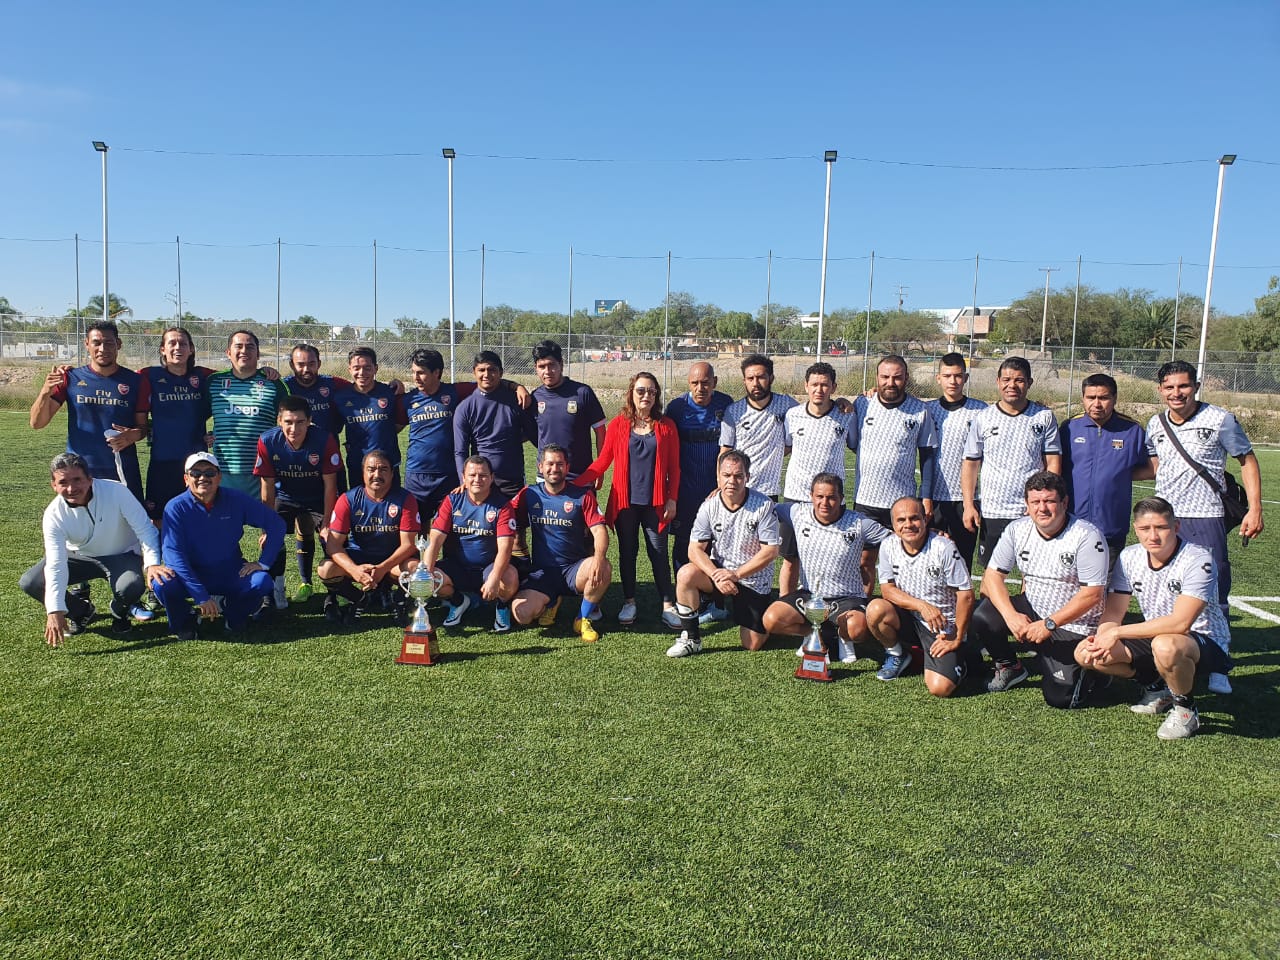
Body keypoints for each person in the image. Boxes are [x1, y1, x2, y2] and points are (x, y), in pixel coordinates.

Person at [1145, 360, 1263, 695]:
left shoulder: (1220, 419)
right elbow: (1157, 466)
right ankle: (1170, 659)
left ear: (1196, 387)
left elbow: (1247, 461)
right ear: (1160, 390)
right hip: (1165, 520)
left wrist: (1255, 509)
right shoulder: (1155, 424)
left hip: (1206, 516)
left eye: (1183, 386)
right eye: (1169, 387)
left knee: (1214, 592)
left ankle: (1219, 665)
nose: (1176, 393)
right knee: (1165, 591)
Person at [1075, 497, 1233, 740]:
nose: (1153, 536)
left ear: (1176, 526)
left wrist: (1116, 633)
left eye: (1161, 527)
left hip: (1204, 640)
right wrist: (1103, 637)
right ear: (1136, 529)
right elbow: (1114, 611)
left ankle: (1185, 709)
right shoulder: (1129, 557)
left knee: (1166, 645)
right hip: (1156, 636)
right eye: (1145, 528)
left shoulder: (1198, 559)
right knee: (1085, 653)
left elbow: (1181, 623)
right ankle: (1157, 687)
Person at [970, 471, 1108, 707]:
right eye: (1035, 502)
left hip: (1073, 624)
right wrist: (1011, 616)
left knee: (1061, 698)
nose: (1042, 508)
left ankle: (1097, 673)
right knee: (983, 615)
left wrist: (1049, 624)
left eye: (1049, 501)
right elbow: (992, 577)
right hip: (1034, 608)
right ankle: (1010, 666)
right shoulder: (1017, 529)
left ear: (1064, 502)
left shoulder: (1086, 535)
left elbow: (1092, 595)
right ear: (1027, 504)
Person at [20, 453, 172, 644]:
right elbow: (56, 563)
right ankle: (81, 612)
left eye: (77, 479)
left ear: (90, 479)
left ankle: (119, 611)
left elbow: (145, 530)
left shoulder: (116, 491)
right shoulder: (53, 514)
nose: (71, 488)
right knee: (31, 581)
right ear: (54, 486)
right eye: (63, 482)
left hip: (122, 554)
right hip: (80, 557)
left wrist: (152, 564)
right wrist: (55, 609)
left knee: (131, 586)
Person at [575, 372, 679, 626]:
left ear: (657, 396)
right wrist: (574, 485)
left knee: (658, 554)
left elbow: (675, 468)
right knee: (628, 553)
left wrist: (672, 499)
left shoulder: (667, 426)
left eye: (652, 391)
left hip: (656, 504)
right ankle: (629, 602)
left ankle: (668, 604)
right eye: (641, 391)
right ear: (631, 393)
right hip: (625, 504)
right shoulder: (619, 425)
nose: (646, 396)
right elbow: (602, 461)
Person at [154, 452, 286, 640]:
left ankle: (232, 614)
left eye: (209, 473)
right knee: (162, 583)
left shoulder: (236, 499)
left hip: (229, 570)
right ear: (186, 479)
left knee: (261, 581)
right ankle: (185, 619)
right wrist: (201, 596)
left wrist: (263, 563)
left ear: (219, 477)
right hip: (192, 572)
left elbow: (276, 524)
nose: (203, 478)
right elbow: (174, 556)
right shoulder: (175, 507)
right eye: (195, 473)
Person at [761, 473, 890, 664]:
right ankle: (814, 633)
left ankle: (844, 638)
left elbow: (893, 539)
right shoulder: (797, 513)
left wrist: (928, 536)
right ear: (811, 496)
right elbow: (763, 506)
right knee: (772, 620)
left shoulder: (859, 523)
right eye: (819, 497)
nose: (825, 503)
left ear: (841, 498)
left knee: (858, 630)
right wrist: (722, 493)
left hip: (847, 597)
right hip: (809, 596)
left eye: (831, 497)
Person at [664, 450, 780, 657]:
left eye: (738, 476)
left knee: (752, 643)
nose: (731, 481)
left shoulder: (763, 505)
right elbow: (694, 549)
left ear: (747, 477)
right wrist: (717, 575)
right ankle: (691, 639)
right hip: (720, 572)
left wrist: (736, 575)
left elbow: (770, 551)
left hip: (752, 578)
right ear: (718, 477)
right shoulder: (709, 506)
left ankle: (766, 615)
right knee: (686, 574)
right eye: (726, 475)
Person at [403, 348, 532, 517]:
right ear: (474, 372)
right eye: (413, 372)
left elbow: (490, 382)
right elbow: (394, 425)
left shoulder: (456, 392)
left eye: (421, 372)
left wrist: (517, 386)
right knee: (419, 525)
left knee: (456, 523)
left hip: (453, 476)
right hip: (420, 473)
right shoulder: (408, 399)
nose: (415, 377)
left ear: (436, 372)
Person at [866, 496, 974, 695]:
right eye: (901, 520)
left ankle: (965, 658)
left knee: (940, 688)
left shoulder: (943, 547)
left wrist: (956, 636)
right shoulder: (888, 545)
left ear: (925, 519)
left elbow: (966, 595)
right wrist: (921, 606)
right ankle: (897, 654)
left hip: (943, 626)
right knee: (875, 609)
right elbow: (887, 590)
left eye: (914, 518)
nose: (908, 524)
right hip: (912, 618)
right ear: (893, 524)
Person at [961, 356, 1061, 567]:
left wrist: (1042, 501)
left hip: (1031, 509)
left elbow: (1053, 462)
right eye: (1006, 380)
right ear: (998, 382)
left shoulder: (1044, 417)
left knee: (1032, 570)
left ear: (1029, 383)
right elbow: (970, 464)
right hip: (993, 509)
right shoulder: (984, 418)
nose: (1012, 385)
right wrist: (969, 505)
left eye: (1019, 380)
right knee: (991, 570)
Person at [30, 321, 144, 503]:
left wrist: (133, 435)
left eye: (109, 343)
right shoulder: (70, 378)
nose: (102, 349)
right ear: (86, 344)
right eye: (96, 343)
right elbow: (37, 423)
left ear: (118, 344)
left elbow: (143, 427)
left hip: (122, 468)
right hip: (80, 471)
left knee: (128, 520)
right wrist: (45, 392)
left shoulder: (136, 381)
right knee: (82, 520)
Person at [851, 355, 937, 593]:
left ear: (906, 378)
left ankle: (902, 610)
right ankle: (863, 606)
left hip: (902, 504)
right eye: (885, 377)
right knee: (864, 561)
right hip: (866, 500)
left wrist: (926, 497)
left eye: (897, 377)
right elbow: (852, 443)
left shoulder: (920, 410)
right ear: (877, 378)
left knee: (904, 562)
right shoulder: (862, 404)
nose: (891, 382)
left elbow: (927, 456)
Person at [508, 444, 612, 642]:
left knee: (604, 567)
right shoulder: (529, 494)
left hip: (574, 569)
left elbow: (599, 531)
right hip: (542, 573)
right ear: (540, 467)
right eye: (549, 464)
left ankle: (582, 618)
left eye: (559, 464)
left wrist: (598, 559)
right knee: (522, 614)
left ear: (567, 467)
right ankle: (551, 601)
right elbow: (505, 514)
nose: (554, 469)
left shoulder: (582, 495)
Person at [779, 362, 860, 597]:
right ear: (806, 386)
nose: (819, 389)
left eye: (825, 385)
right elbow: (786, 447)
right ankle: (785, 604)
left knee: (831, 555)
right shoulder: (793, 415)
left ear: (833, 387)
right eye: (814, 384)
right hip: (797, 496)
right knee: (791, 558)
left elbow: (855, 445)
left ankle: (831, 603)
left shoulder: (845, 416)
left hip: (830, 500)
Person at [253, 395, 342, 607]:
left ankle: (335, 594)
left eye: (300, 422)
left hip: (317, 497)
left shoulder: (324, 440)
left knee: (332, 539)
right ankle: (274, 592)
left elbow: (330, 486)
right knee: (271, 538)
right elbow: (267, 487)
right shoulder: (267, 441)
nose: (294, 429)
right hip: (286, 497)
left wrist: (327, 523)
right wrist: (267, 527)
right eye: (288, 422)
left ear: (309, 421)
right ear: (279, 421)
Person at [318, 450, 421, 624]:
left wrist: (382, 568)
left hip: (392, 562)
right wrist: (354, 570)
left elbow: (408, 545)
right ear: (363, 472)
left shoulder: (405, 499)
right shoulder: (348, 499)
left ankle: (397, 600)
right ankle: (359, 598)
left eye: (383, 469)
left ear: (392, 473)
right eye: (371, 469)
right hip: (360, 559)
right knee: (326, 569)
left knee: (415, 569)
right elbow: (333, 545)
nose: (377, 475)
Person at [1059, 373, 1153, 562]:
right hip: (1070, 526)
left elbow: (1151, 468)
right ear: (1083, 398)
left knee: (1107, 579)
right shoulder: (1069, 428)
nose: (1097, 404)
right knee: (1066, 578)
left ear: (1114, 398)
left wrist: (1120, 475)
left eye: (1103, 398)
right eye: (1091, 397)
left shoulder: (1132, 431)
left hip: (1111, 528)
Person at [422, 455, 519, 632]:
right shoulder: (452, 500)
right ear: (464, 477)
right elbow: (435, 540)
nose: (477, 480)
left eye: (483, 475)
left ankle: (502, 606)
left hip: (488, 567)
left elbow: (505, 548)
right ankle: (458, 601)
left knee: (510, 577)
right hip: (457, 567)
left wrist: (495, 577)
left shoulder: (503, 505)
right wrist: (426, 572)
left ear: (491, 478)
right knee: (428, 576)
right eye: (472, 475)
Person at [134, 326, 215, 519]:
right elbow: (118, 378)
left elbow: (237, 378)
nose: (178, 347)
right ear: (163, 349)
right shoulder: (148, 375)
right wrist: (68, 371)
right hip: (162, 460)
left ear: (191, 349)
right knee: (159, 517)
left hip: (197, 461)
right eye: (172, 343)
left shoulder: (205, 376)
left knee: (198, 517)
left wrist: (264, 372)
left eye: (183, 343)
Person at [206, 330, 290, 496]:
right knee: (226, 513)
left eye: (250, 347)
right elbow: (196, 415)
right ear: (228, 352)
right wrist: (202, 436)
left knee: (265, 513)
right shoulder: (214, 382)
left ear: (258, 354)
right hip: (224, 471)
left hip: (262, 472)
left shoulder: (273, 384)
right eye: (239, 346)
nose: (244, 351)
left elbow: (288, 423)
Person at [924, 352, 987, 570]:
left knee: (962, 563)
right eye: (947, 376)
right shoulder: (927, 410)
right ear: (938, 378)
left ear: (966, 378)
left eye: (958, 376)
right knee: (931, 562)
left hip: (967, 500)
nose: (953, 381)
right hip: (934, 499)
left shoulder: (981, 411)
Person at [453, 351, 535, 499]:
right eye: (481, 370)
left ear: (500, 373)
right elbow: (460, 451)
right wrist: (463, 480)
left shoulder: (516, 400)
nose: (486, 374)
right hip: (481, 482)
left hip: (512, 481)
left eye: (492, 370)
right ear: (474, 372)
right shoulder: (465, 408)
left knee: (516, 515)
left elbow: (532, 434)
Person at [719, 353, 798, 501]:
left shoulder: (787, 404)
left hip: (769, 490)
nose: (755, 383)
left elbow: (811, 413)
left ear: (771, 378)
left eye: (761, 377)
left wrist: (838, 402)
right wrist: (720, 485)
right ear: (744, 381)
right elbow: (724, 452)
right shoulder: (733, 411)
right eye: (750, 378)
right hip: (739, 488)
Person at [528, 340, 607, 481]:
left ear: (561, 364)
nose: (547, 371)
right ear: (536, 368)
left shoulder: (582, 393)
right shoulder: (534, 397)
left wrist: (599, 470)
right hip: (546, 478)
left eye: (552, 365)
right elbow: (533, 433)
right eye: (542, 366)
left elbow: (600, 432)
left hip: (580, 477)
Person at [332, 347, 405, 491]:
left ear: (375, 368)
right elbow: (335, 427)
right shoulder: (340, 397)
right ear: (349, 369)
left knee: (392, 503)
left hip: (388, 464)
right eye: (356, 368)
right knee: (359, 504)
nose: (362, 373)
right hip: (357, 464)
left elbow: (401, 422)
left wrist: (385, 432)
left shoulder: (390, 393)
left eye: (367, 368)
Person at [284, 343, 350, 439]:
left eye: (311, 364)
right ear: (292, 365)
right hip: (294, 446)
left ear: (319, 364)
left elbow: (359, 390)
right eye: (301, 364)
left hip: (327, 446)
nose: (306, 369)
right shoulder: (284, 387)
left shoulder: (333, 384)